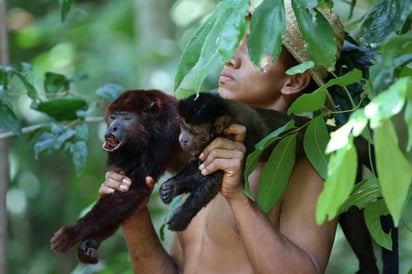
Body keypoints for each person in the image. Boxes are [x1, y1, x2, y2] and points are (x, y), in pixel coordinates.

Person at [99, 2, 346, 273]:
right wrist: (133, 216)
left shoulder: (311, 163)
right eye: (236, 39)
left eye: (254, 47)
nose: (231, 58)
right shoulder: (205, 150)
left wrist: (237, 198)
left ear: (293, 81)